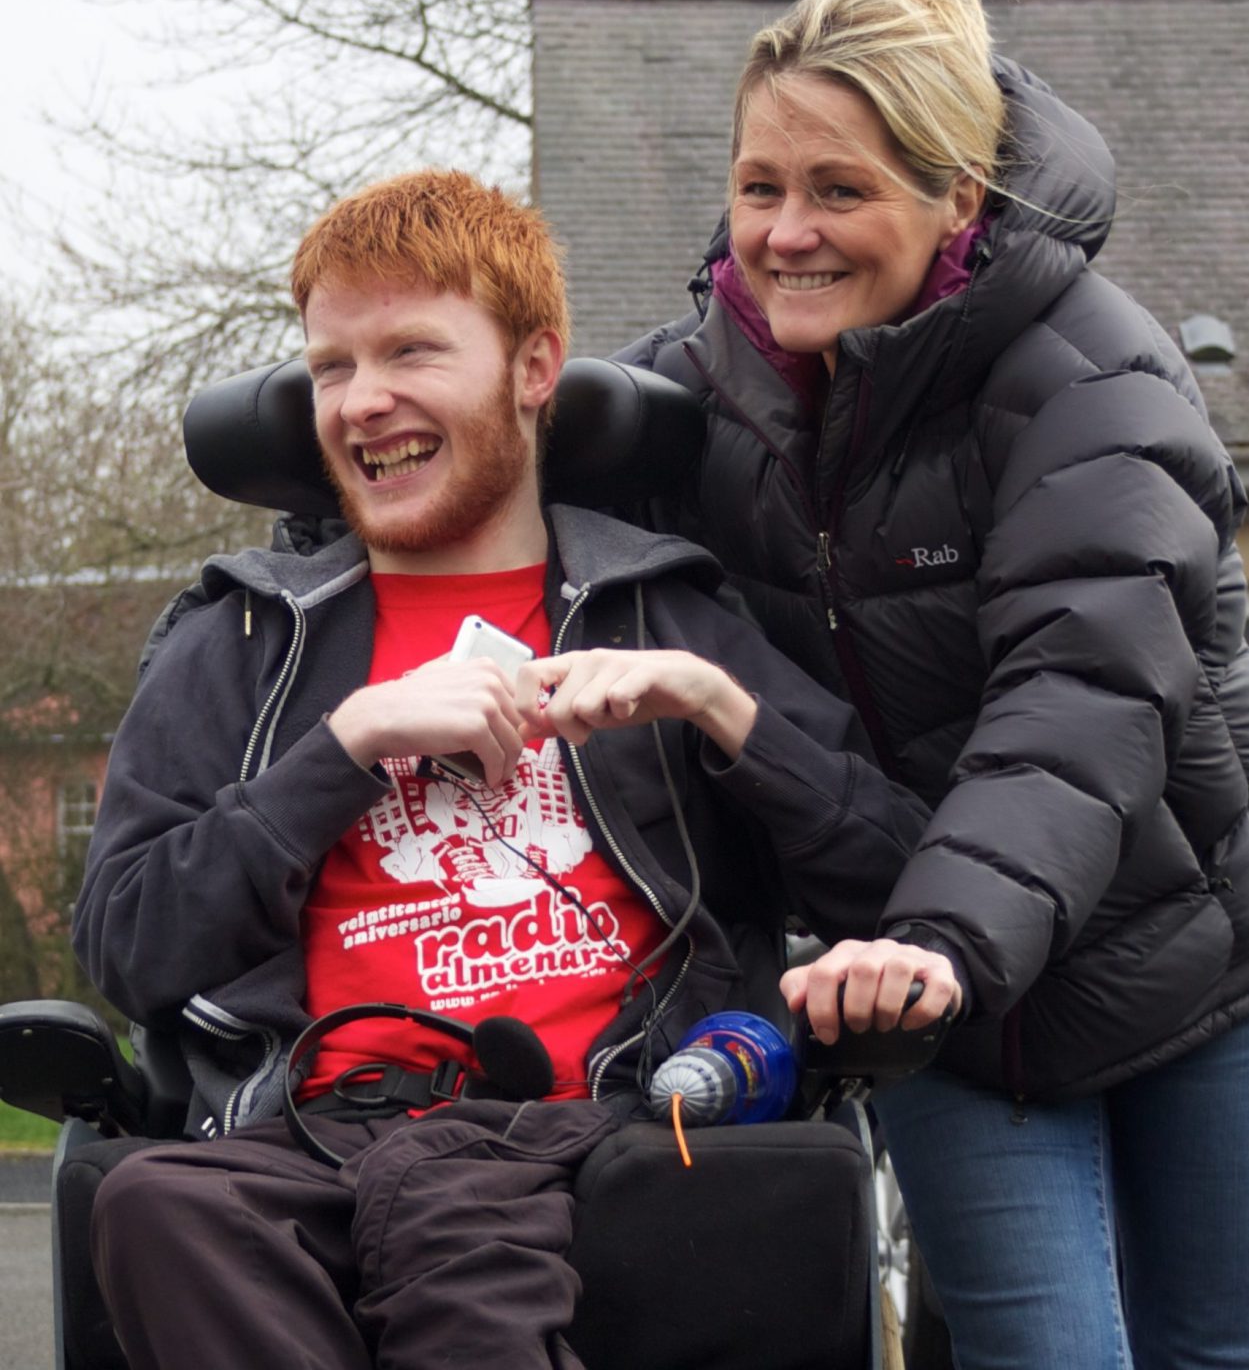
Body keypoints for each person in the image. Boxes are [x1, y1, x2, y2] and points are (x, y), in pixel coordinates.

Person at [71, 168, 930, 1370]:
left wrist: (720, 705)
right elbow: (126, 945)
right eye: (330, 367)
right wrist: (341, 751)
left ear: (534, 369)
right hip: (312, 1130)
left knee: (451, 1211)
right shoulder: (239, 638)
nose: (362, 402)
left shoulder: (666, 613)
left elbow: (891, 875)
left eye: (411, 352)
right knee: (154, 1202)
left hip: (602, 1117)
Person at [616, 0, 1249, 1370]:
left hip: (1189, 958)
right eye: (757, 185)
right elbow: (495, 459)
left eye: (840, 190)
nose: (786, 234)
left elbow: (1080, 698)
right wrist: (342, 482)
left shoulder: (1098, 378)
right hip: (936, 1008)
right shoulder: (688, 393)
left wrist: (934, 940)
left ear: (958, 199)